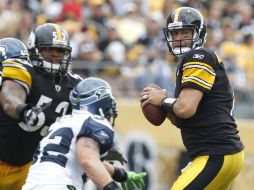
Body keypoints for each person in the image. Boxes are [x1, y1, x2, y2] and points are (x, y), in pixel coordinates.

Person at [140, 7, 244, 190]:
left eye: (185, 32)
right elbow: (186, 117)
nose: (179, 37)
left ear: (199, 33)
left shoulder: (198, 56)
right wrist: (166, 107)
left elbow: (185, 109)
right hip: (222, 153)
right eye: (175, 32)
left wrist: (163, 100)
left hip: (215, 154)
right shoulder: (195, 60)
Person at [22, 77, 147, 190]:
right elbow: (87, 160)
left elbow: (77, 158)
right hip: (61, 185)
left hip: (31, 185)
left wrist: (120, 174)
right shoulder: (93, 121)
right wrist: (112, 187)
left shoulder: (63, 122)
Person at [0, 23, 82, 190]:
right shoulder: (24, 70)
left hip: (29, 167)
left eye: (60, 51)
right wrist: (23, 110)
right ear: (34, 49)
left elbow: (85, 126)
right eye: (48, 49)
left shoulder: (74, 86)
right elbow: (10, 98)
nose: (54, 54)